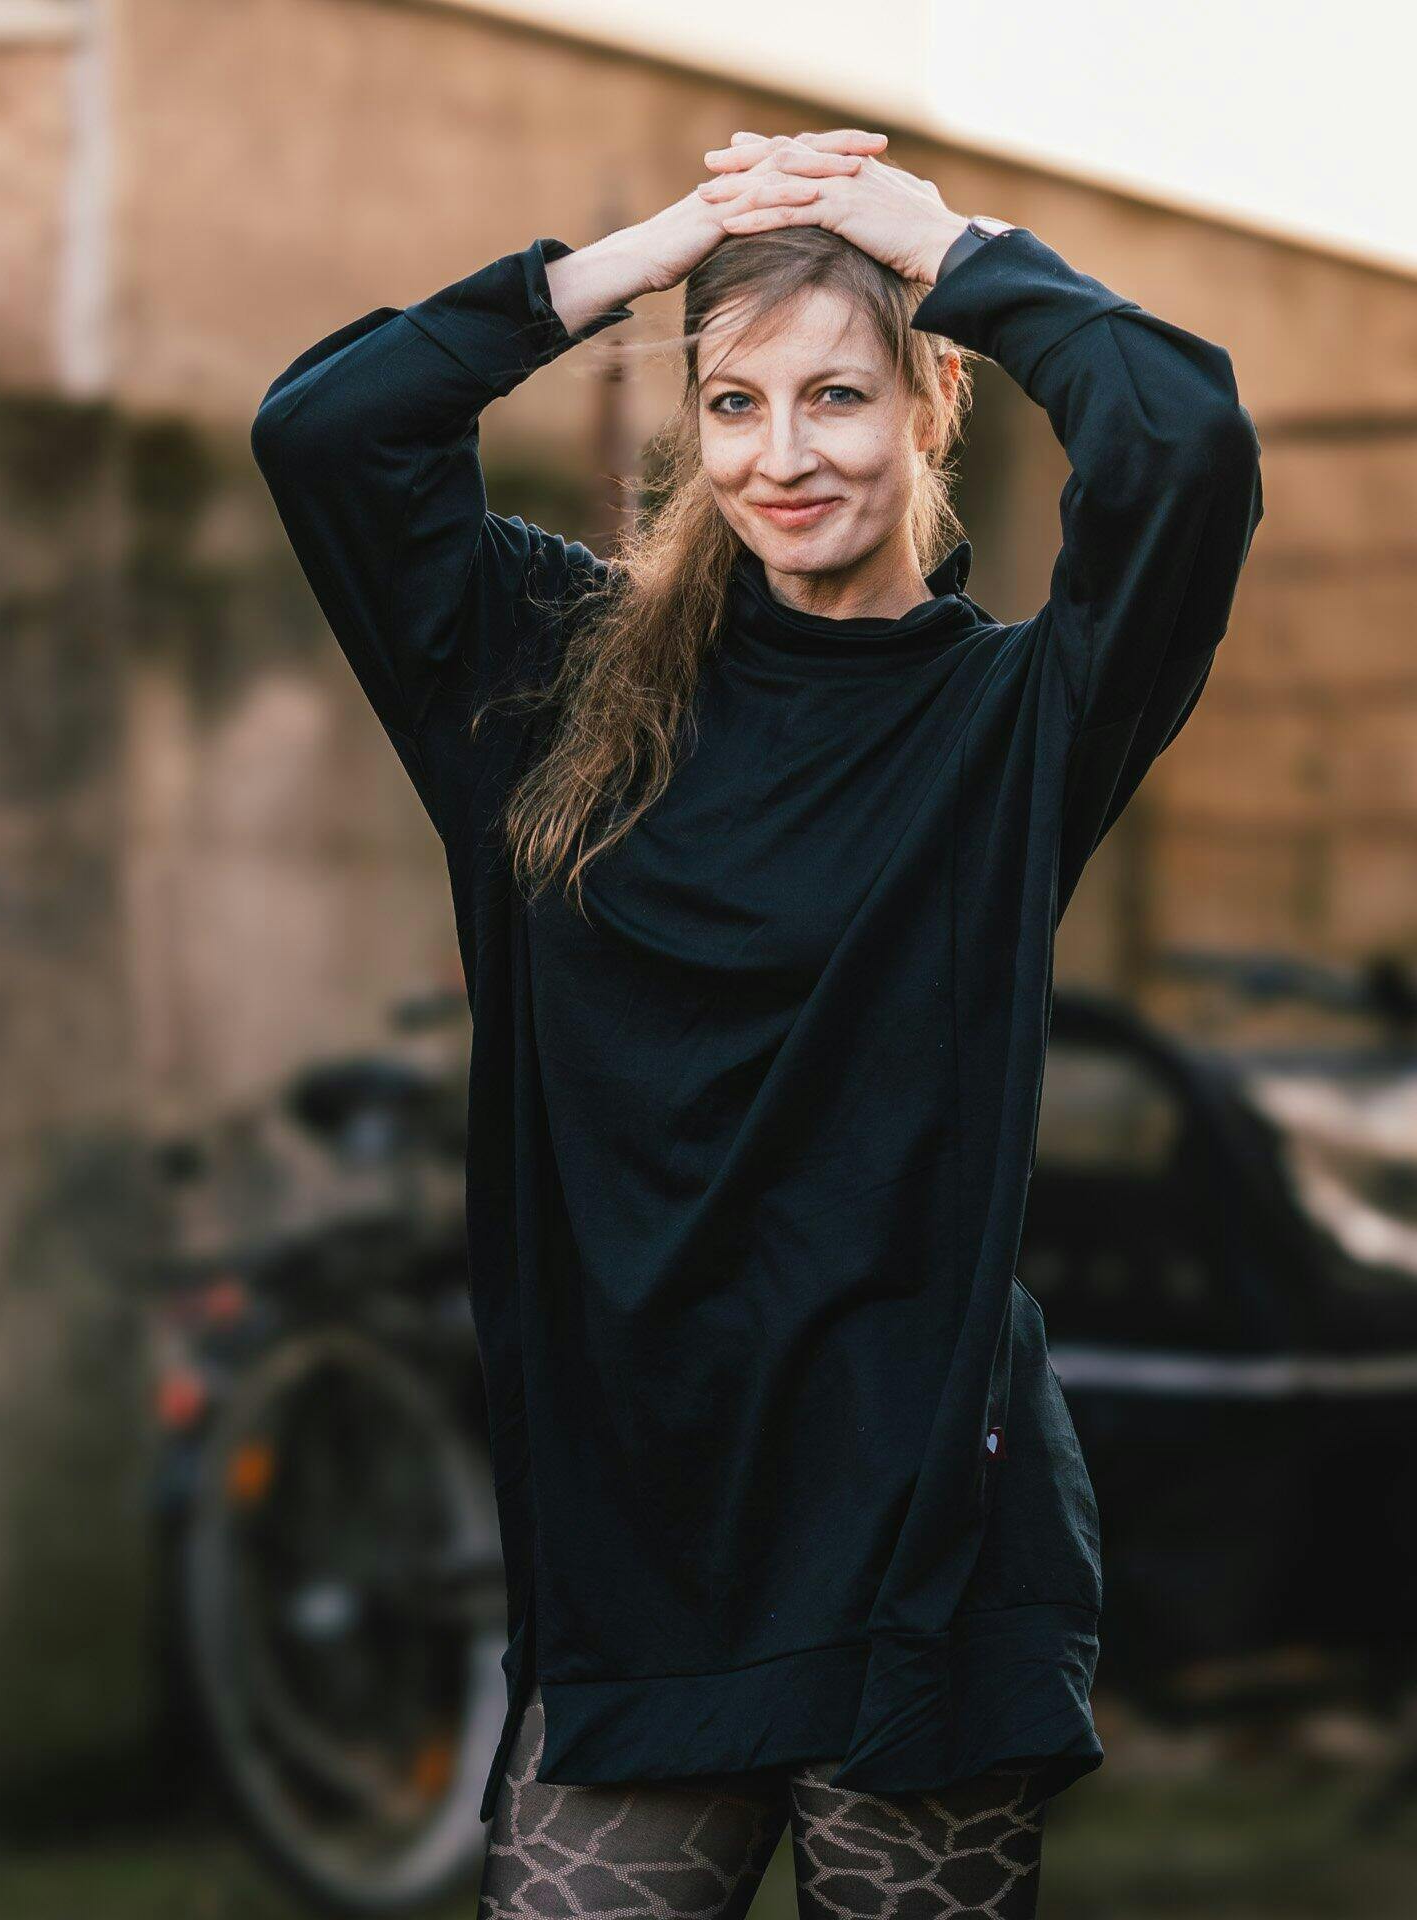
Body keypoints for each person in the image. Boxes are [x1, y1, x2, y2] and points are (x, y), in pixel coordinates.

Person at [251, 127, 1265, 1919]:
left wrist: (953, 251)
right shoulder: (549, 678)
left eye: (837, 397)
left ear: (933, 404)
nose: (781, 458)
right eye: (734, 403)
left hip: (924, 1552)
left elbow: (1185, 444)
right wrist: (639, 257)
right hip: (636, 1540)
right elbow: (326, 434)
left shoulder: (1015, 725)